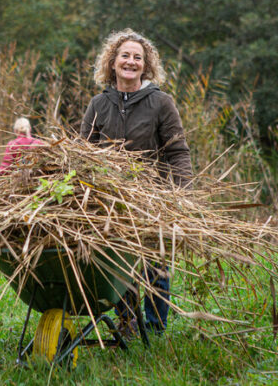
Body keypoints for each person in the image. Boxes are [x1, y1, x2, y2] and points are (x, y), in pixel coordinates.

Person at [80, 28, 193, 336]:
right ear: (113, 62)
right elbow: (82, 153)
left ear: (146, 65)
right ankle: (128, 322)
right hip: (110, 200)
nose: (130, 62)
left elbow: (178, 152)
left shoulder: (161, 103)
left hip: (152, 199)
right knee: (118, 265)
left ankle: (155, 330)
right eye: (125, 56)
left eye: (137, 57)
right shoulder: (98, 105)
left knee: (154, 267)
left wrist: (181, 194)